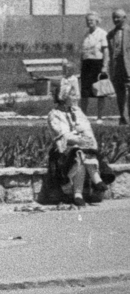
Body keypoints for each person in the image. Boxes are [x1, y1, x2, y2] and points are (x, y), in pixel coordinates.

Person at [47, 77, 109, 206]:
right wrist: (78, 140)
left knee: (83, 152)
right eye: (72, 94)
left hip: (81, 147)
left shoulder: (77, 111)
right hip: (63, 150)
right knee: (78, 153)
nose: (75, 98)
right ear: (64, 96)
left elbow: (86, 127)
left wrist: (88, 139)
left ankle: (79, 193)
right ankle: (94, 179)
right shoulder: (54, 114)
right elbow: (61, 135)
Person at [80, 12, 108, 120]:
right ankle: (83, 117)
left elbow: (106, 51)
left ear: (97, 21)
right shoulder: (86, 35)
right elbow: (82, 52)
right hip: (87, 64)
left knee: (100, 92)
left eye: (91, 20)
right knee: (85, 92)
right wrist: (81, 65)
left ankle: (100, 117)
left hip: (98, 64)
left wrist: (105, 66)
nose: (89, 22)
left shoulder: (102, 33)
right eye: (88, 20)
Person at [106, 8, 128, 126]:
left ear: (124, 18)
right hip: (117, 68)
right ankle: (124, 118)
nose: (115, 20)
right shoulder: (110, 34)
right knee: (120, 93)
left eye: (118, 17)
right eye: (114, 17)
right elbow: (110, 53)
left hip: (128, 67)